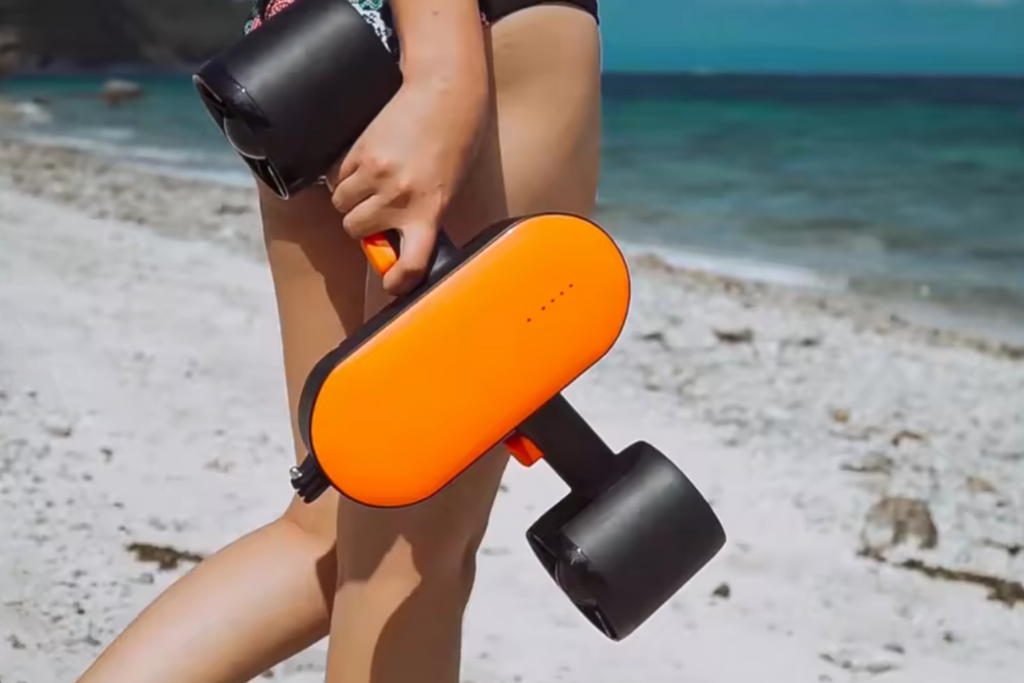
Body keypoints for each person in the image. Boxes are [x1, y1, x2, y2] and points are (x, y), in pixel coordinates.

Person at [74, 0, 602, 681]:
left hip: (309, 42)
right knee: (405, 568)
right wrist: (443, 72)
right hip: (463, 32)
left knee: (324, 540)